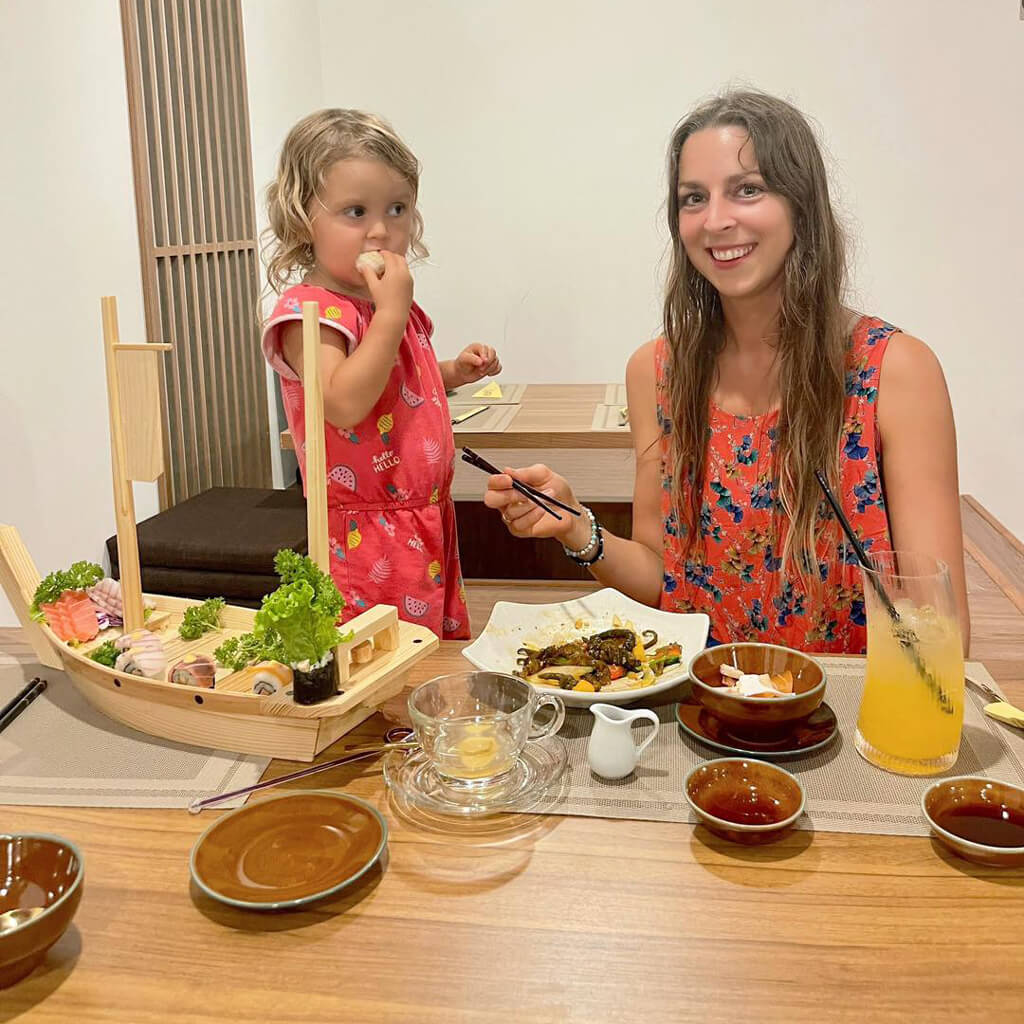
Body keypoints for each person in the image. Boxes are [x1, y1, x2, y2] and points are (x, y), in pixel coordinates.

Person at [485, 90, 969, 655]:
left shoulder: (895, 370)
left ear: (800, 205)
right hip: (703, 711)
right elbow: (661, 581)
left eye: (748, 189)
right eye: (694, 198)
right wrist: (576, 528)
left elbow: (941, 628)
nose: (716, 220)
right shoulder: (656, 371)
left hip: (843, 716)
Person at [261, 109, 500, 639]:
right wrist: (391, 313)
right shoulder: (311, 313)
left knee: (429, 650)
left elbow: (394, 381)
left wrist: (451, 373)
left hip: (425, 515)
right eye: (355, 211)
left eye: (397, 208)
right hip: (365, 533)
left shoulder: (382, 302)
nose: (380, 231)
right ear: (304, 219)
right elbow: (343, 402)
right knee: (383, 659)